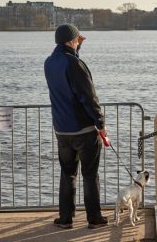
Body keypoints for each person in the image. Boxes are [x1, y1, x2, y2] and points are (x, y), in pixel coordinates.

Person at [44, 24, 108, 229]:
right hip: (83, 130)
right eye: (77, 40)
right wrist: (100, 123)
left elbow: (65, 84)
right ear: (72, 40)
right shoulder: (74, 64)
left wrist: (76, 48)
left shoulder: (49, 62)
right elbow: (88, 97)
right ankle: (94, 219)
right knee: (89, 175)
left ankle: (65, 218)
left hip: (62, 130)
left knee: (67, 173)